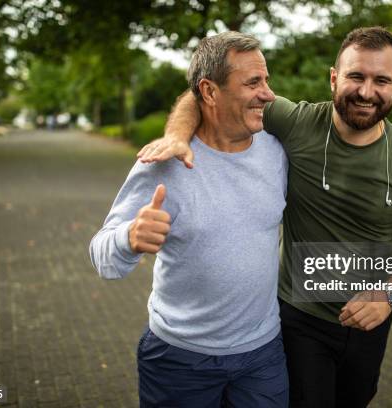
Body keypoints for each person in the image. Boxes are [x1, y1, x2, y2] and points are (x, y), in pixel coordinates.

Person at [137, 26, 392, 407]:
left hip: (371, 319)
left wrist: (390, 295)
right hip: (299, 319)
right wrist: (178, 138)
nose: (366, 91)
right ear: (334, 78)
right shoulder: (297, 123)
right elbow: (207, 94)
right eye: (355, 76)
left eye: (381, 80)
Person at [89, 31, 289, 407]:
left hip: (262, 354)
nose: (268, 93)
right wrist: (129, 238)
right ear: (210, 92)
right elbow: (103, 256)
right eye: (252, 83)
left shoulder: (278, 149)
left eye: (266, 79)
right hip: (179, 360)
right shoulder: (164, 163)